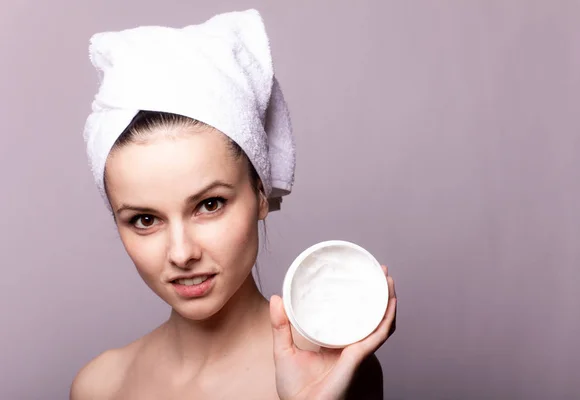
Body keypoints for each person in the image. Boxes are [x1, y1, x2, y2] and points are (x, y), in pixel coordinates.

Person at [70, 9, 396, 400]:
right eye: (144, 219)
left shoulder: (330, 376)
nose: (182, 253)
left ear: (260, 191)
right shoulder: (99, 386)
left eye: (209, 205)